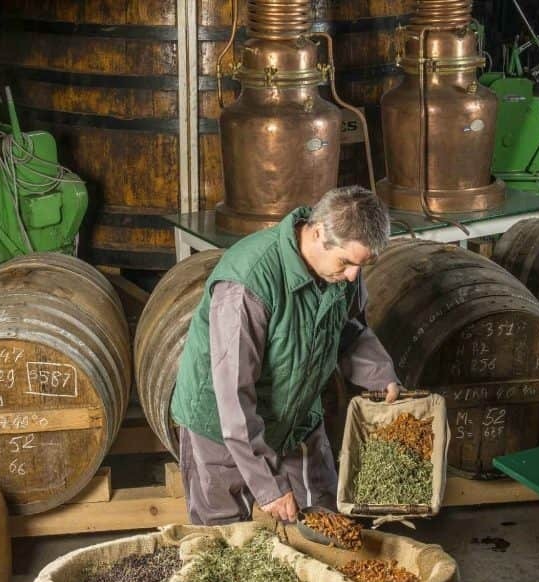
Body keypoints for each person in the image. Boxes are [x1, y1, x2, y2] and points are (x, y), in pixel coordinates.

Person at [170, 185, 403, 525]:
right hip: (221, 425)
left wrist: (381, 374)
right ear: (319, 231)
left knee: (327, 522)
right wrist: (268, 487)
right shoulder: (248, 284)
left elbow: (350, 329)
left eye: (361, 264)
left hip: (296, 415)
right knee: (223, 540)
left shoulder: (341, 273)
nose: (353, 275)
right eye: (347, 262)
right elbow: (234, 397)